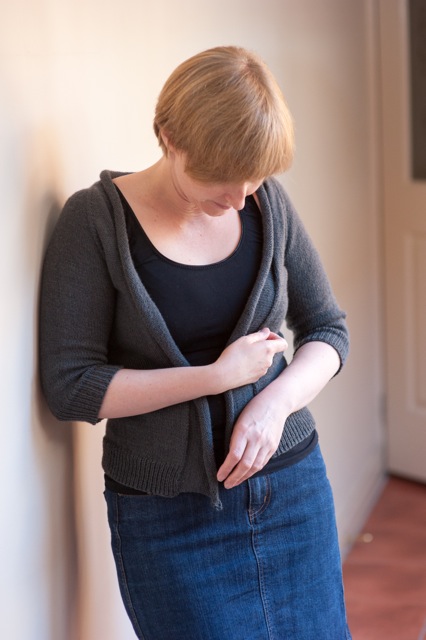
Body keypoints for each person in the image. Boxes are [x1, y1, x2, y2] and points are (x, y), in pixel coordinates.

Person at [39, 46, 352, 640]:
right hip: (167, 518)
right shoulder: (95, 222)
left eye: (253, 179)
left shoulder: (268, 204)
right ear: (169, 138)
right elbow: (71, 387)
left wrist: (273, 404)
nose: (239, 200)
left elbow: (328, 330)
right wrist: (216, 377)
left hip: (291, 493)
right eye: (220, 181)